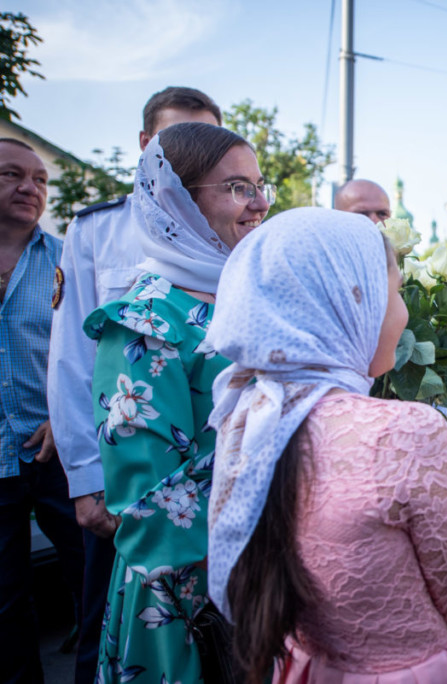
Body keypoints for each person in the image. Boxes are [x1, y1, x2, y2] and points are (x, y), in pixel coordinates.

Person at [203, 208, 447, 683]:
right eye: (393, 293)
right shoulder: (406, 431)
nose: (405, 313)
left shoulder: (247, 413)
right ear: (347, 302)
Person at [46, 85, 221, 684]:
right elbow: (73, 358)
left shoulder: (242, 250)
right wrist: (86, 477)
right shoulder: (99, 230)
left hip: (219, 520)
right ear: (148, 148)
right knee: (106, 614)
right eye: (177, 147)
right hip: (136, 481)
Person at [87, 122, 272, 683]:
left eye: (260, 185)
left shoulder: (253, 290)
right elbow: (146, 502)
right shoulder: (143, 321)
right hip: (192, 594)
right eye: (238, 187)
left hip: (269, 569)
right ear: (178, 200)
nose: (260, 202)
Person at [0, 137, 86, 683]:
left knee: (90, 576)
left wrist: (63, 414)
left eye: (40, 180)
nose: (31, 187)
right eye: (13, 175)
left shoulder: (64, 259)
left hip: (56, 449)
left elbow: (85, 350)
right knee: (5, 602)